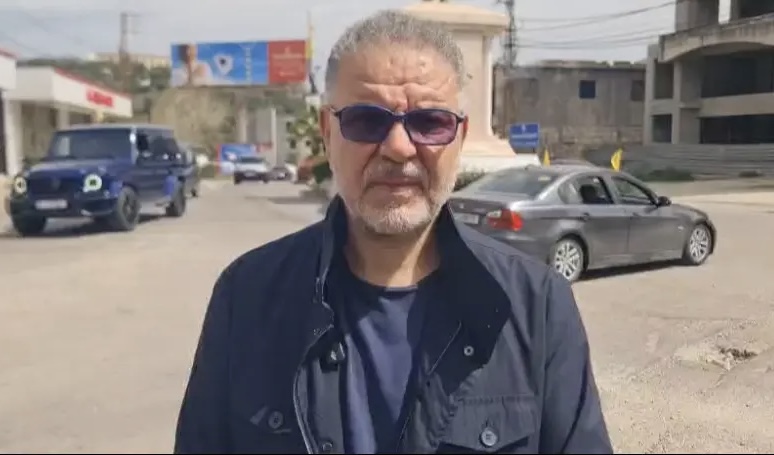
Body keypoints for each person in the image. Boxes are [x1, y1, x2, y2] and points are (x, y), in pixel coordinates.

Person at [174, 10, 613, 455]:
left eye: (430, 123)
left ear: (459, 138)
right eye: (367, 121)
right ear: (327, 133)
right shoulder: (247, 296)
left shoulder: (536, 306)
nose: (399, 148)